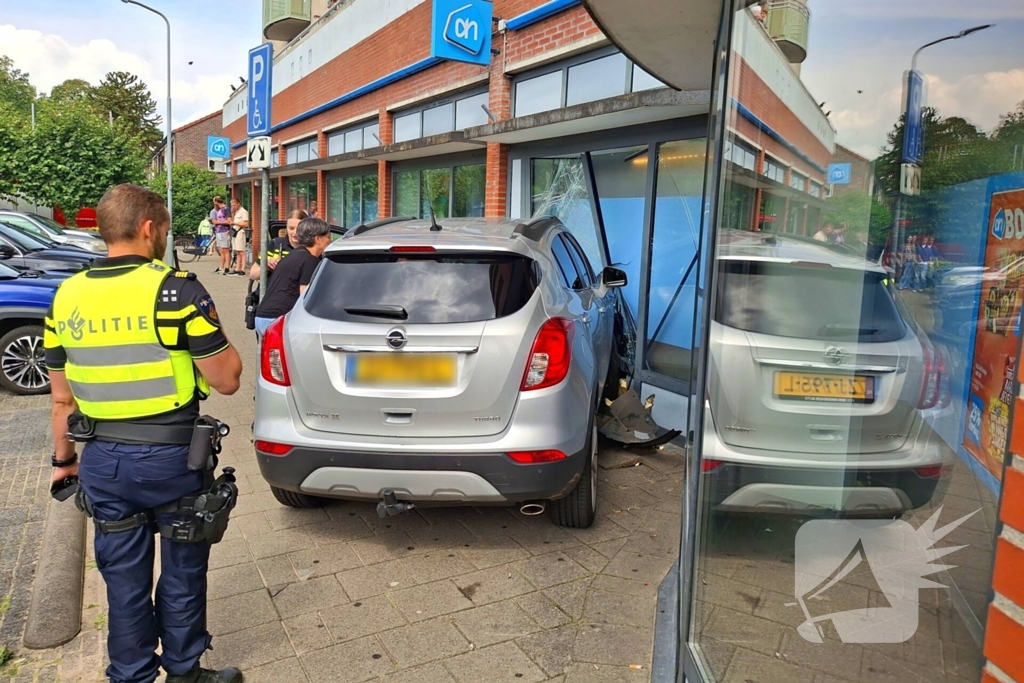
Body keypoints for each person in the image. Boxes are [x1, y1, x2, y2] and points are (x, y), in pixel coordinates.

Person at [44, 184, 244, 683]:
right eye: (165, 229)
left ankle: (131, 674)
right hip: (172, 459)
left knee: (122, 577)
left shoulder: (65, 295)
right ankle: (184, 672)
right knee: (181, 569)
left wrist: (64, 463)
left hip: (103, 461)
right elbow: (227, 379)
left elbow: (61, 400)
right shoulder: (176, 289)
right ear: (150, 229)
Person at [253, 217, 332, 336]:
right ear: (317, 239)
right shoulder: (309, 260)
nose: (330, 241)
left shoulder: (295, 254)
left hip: (264, 316)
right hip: (277, 319)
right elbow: (305, 296)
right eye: (328, 237)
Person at [249, 209, 306, 282]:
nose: (295, 233)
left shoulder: (312, 248)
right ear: (286, 227)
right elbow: (253, 274)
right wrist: (267, 266)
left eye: (299, 229)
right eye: (291, 228)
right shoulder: (274, 244)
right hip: (271, 291)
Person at [210, 197, 233, 274]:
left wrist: (218, 222)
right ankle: (221, 267)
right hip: (218, 231)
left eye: (214, 201)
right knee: (221, 250)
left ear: (216, 201)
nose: (213, 203)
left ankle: (227, 267)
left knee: (226, 250)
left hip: (224, 231)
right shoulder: (219, 209)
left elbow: (229, 221)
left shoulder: (226, 209)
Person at [230, 198, 249, 276]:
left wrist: (235, 223)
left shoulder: (243, 212)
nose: (233, 207)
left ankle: (243, 269)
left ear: (238, 204)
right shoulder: (237, 212)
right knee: (237, 251)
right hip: (235, 232)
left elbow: (246, 224)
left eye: (234, 205)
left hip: (240, 232)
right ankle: (237, 268)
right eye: (232, 206)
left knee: (242, 251)